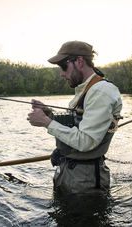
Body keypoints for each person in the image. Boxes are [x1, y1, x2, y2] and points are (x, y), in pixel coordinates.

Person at [27, 41, 122, 194]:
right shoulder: (86, 90)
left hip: (85, 182)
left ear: (79, 61)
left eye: (63, 67)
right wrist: (49, 114)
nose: (62, 73)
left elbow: (86, 141)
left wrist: (47, 123)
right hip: (71, 174)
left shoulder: (101, 92)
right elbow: (76, 126)